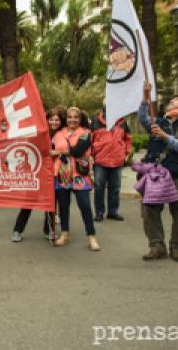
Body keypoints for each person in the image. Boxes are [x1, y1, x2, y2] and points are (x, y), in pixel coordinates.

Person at [139, 83, 178, 262]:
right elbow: (143, 117)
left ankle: (177, 248)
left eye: (176, 100)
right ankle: (156, 247)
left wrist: (166, 137)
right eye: (171, 100)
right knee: (150, 210)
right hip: (156, 173)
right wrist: (145, 96)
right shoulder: (159, 122)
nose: (171, 101)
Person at [12, 108, 66, 242]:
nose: (54, 122)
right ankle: (17, 230)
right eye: (51, 119)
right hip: (38, 173)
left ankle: (49, 231)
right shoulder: (40, 133)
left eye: (57, 119)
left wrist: (60, 152)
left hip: (54, 173)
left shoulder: (62, 134)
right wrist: (61, 151)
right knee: (29, 202)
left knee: (51, 203)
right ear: (46, 120)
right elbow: (42, 151)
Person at [52, 107, 100, 251]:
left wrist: (59, 152)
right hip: (62, 173)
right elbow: (49, 151)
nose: (72, 119)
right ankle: (65, 233)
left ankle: (91, 236)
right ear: (66, 118)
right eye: (69, 117)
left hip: (80, 175)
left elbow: (77, 150)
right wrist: (54, 152)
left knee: (85, 205)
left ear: (80, 119)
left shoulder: (86, 133)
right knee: (64, 205)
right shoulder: (59, 134)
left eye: (75, 117)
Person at [90, 98, 133, 222]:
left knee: (115, 187)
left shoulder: (123, 122)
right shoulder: (95, 121)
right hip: (100, 160)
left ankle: (113, 212)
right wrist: (90, 155)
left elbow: (128, 138)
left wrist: (128, 153)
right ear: (103, 105)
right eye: (106, 101)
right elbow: (89, 140)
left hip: (117, 160)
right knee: (99, 187)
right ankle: (99, 212)